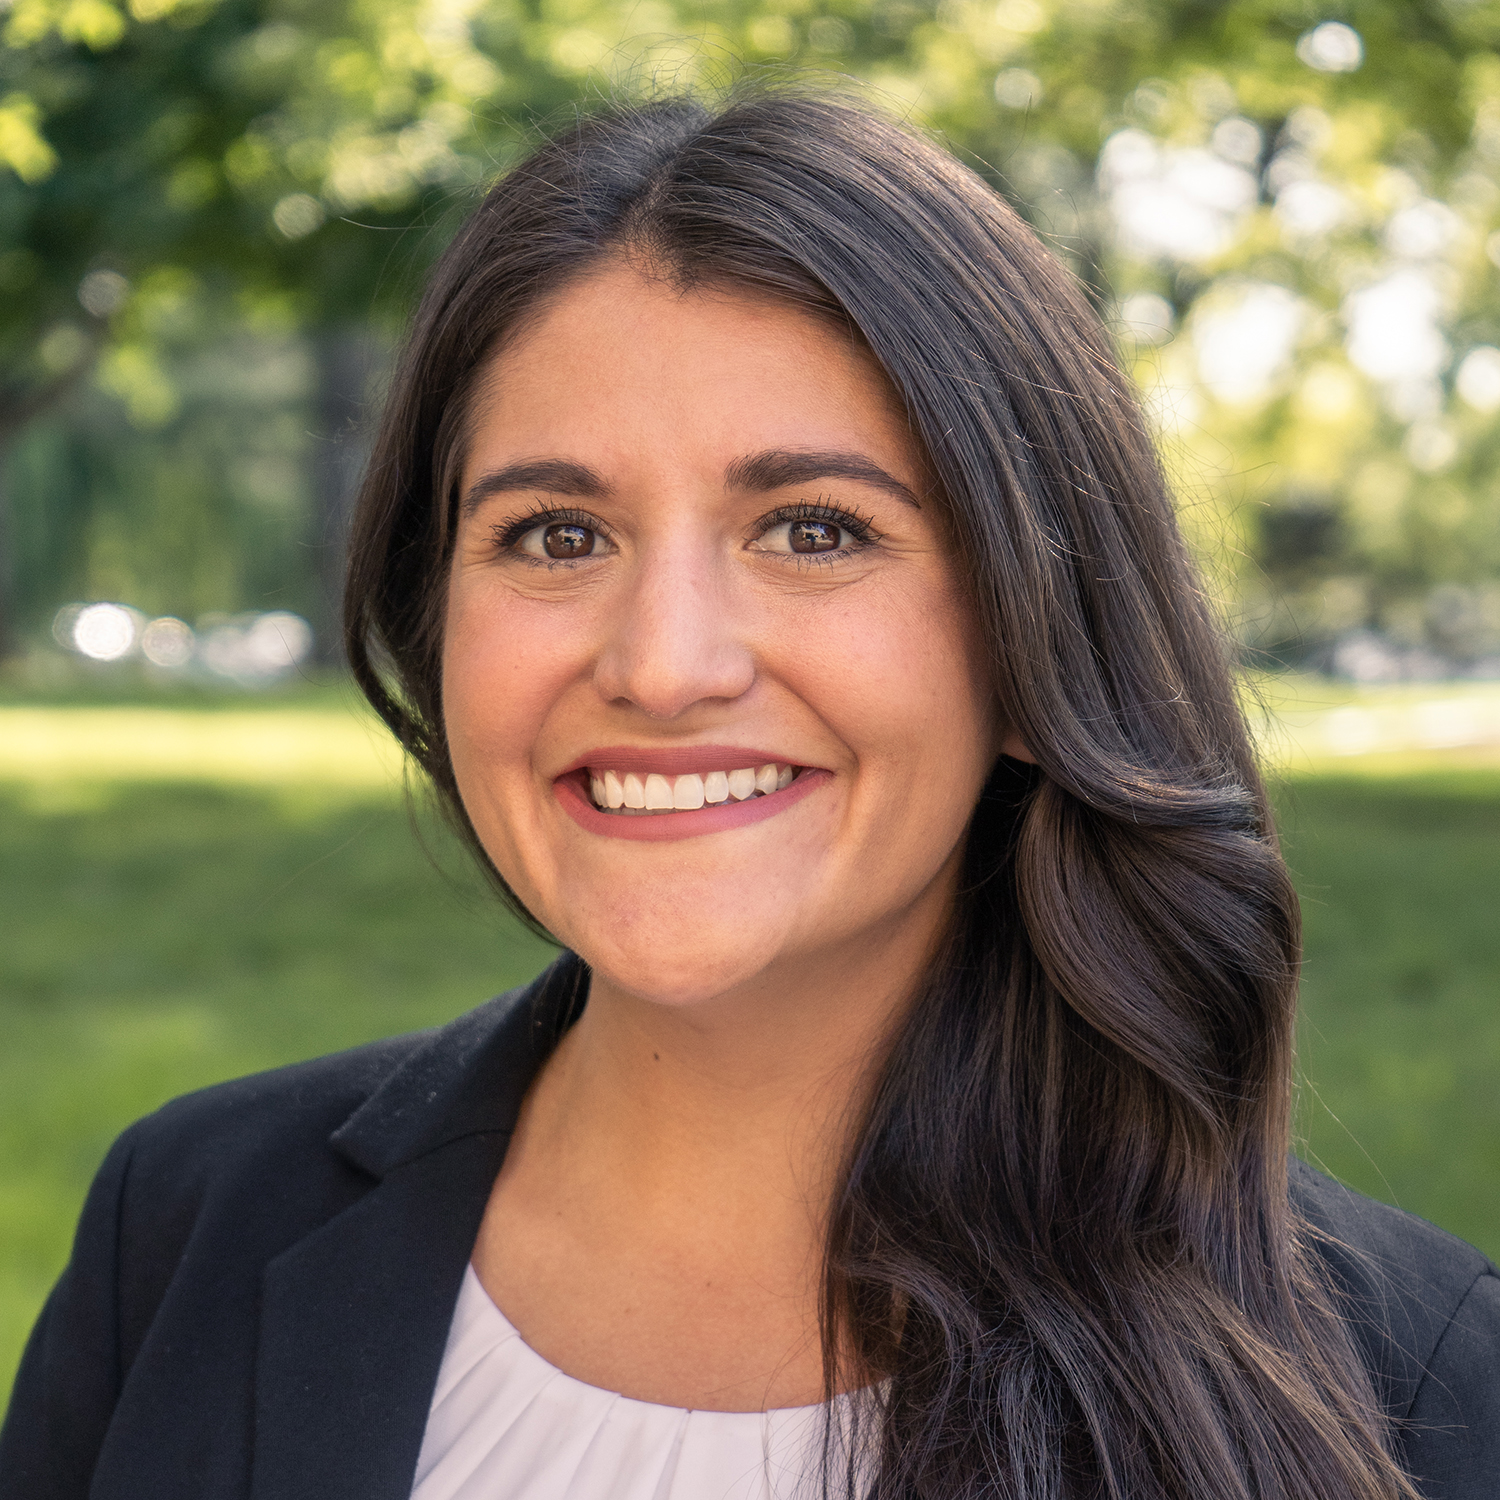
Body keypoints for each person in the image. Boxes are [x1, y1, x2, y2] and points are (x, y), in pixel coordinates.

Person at [2, 87, 1496, 1500]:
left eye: (813, 528)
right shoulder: (186, 1227)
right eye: (556, 537)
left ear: (1039, 644)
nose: (664, 665)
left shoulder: (1414, 1380)